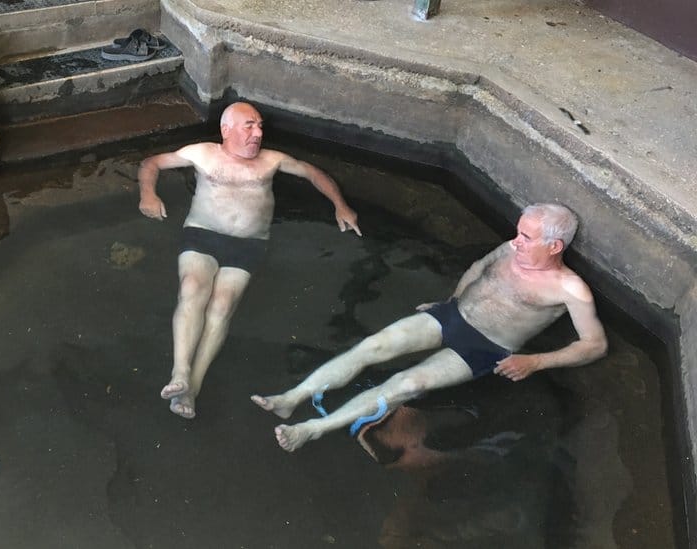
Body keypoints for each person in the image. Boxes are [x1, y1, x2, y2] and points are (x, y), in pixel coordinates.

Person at [252, 203, 608, 451]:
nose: (516, 241)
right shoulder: (509, 249)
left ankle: (312, 429)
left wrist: (535, 361)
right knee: (373, 346)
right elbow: (476, 269)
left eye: (527, 237)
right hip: (452, 314)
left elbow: (594, 345)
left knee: (408, 383)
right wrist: (449, 302)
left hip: (486, 346)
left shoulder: (569, 289)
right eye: (518, 232)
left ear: (554, 246)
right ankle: (292, 398)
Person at [138, 102, 363, 419]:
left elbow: (312, 172)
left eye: (259, 126)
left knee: (222, 305)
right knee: (192, 289)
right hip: (203, 234)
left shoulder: (272, 160)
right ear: (226, 129)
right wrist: (148, 194)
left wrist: (340, 205)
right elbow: (152, 163)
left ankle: (193, 386)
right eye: (249, 126)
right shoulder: (202, 153)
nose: (258, 133)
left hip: (248, 244)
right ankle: (180, 372)